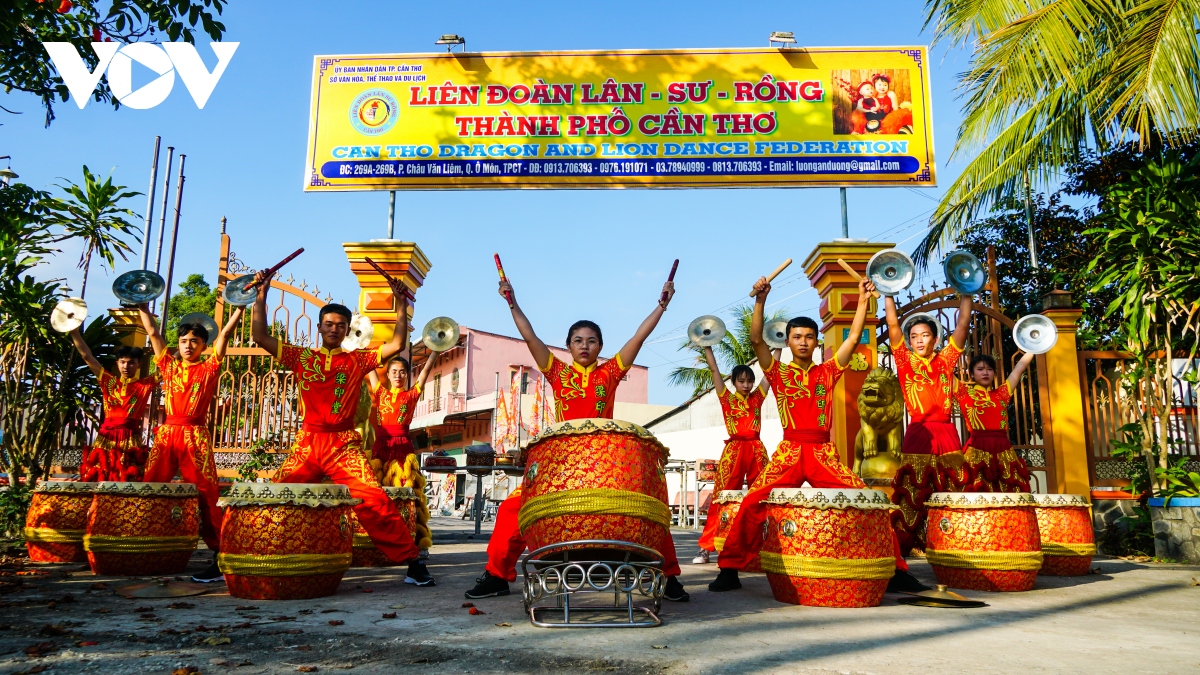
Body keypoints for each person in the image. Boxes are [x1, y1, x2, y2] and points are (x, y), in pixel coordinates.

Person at [465, 273, 691, 602]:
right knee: (513, 510)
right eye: (577, 341)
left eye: (592, 341)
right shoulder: (558, 372)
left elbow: (639, 337)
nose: (585, 346)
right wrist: (512, 302)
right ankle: (498, 574)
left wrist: (661, 306)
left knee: (645, 507)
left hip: (606, 465)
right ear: (568, 346)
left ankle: (669, 577)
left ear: (601, 346)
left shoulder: (611, 372)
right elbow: (529, 337)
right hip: (562, 465)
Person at [709, 276, 924, 593]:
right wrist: (760, 300)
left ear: (816, 342)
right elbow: (756, 340)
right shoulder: (778, 373)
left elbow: (851, 339)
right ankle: (729, 569)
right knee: (752, 503)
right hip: (789, 453)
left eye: (810, 337)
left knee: (868, 502)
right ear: (789, 341)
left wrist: (863, 299)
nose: (804, 342)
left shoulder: (828, 369)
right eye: (797, 337)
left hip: (824, 454)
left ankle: (894, 569)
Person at [250, 271, 434, 586]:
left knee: (374, 500)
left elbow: (399, 342)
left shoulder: (357, 361)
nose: (334, 329)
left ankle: (412, 561)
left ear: (347, 330)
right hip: (308, 444)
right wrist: (262, 295)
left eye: (340, 326)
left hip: (343, 446)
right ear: (320, 327)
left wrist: (401, 303)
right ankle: (247, 551)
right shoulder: (300, 356)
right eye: (329, 324)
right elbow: (261, 337)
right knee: (276, 495)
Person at [139, 304, 245, 583]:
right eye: (184, 341)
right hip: (167, 434)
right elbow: (152, 331)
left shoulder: (210, 367)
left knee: (208, 494)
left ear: (203, 346)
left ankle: (221, 557)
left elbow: (224, 336)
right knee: (149, 486)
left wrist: (240, 308)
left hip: (194, 436)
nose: (187, 346)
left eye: (194, 342)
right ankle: (142, 546)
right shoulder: (168, 366)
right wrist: (142, 306)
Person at [883, 292, 974, 554]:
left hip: (946, 431)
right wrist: (888, 291)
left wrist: (967, 293)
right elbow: (892, 325)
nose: (919, 340)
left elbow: (963, 324)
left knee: (955, 486)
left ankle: (958, 545)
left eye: (925, 335)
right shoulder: (904, 360)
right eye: (914, 336)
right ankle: (900, 551)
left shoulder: (946, 360)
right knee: (911, 492)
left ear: (935, 338)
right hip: (919, 431)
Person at [692, 345, 777, 564]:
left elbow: (771, 372)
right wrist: (708, 347)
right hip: (734, 451)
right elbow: (713, 371)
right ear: (734, 382)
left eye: (749, 381)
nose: (747, 385)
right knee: (721, 498)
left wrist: (777, 348)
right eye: (742, 381)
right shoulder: (726, 398)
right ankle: (706, 547)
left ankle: (761, 545)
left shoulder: (757, 397)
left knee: (761, 497)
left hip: (757, 450)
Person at [367, 353, 438, 553]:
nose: (398, 375)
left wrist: (436, 350)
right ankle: (380, 542)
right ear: (388, 374)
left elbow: (425, 372)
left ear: (407, 375)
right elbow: (369, 367)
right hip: (381, 447)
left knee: (409, 495)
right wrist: (362, 346)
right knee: (378, 495)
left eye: (402, 373)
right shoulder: (379, 392)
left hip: (403, 448)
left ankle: (418, 543)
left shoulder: (412, 394)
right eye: (394, 372)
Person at [69, 331, 156, 482]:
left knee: (130, 479)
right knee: (98, 477)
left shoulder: (145, 384)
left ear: (139, 364)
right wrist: (74, 332)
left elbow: (168, 366)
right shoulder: (107, 380)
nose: (126, 366)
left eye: (131, 362)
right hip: (105, 437)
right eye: (122, 362)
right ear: (117, 363)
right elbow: (87, 357)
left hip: (130, 439)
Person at [957, 352, 1035, 493]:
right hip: (976, 449)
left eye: (989, 369)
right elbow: (943, 369)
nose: (985, 373)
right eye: (980, 369)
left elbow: (1019, 368)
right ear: (972, 374)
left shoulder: (1002, 394)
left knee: (1010, 495)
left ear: (994, 373)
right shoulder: (964, 393)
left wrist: (1034, 346)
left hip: (1003, 449)